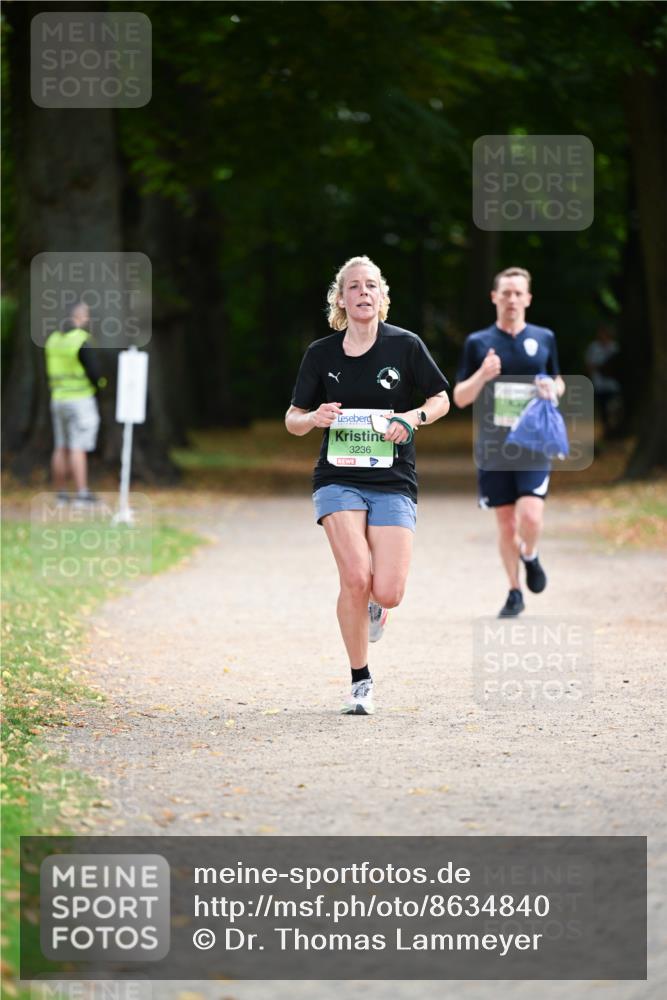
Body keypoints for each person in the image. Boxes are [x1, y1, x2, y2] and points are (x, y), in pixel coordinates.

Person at [285, 255, 450, 714]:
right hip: (338, 478)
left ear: (382, 297)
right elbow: (292, 419)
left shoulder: (406, 346)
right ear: (340, 298)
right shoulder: (321, 353)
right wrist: (313, 417)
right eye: (353, 286)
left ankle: (377, 609)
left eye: (371, 286)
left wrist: (411, 419)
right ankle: (360, 680)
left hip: (394, 480)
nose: (362, 292)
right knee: (355, 576)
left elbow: (441, 399)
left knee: (388, 590)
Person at [453, 267, 565, 618]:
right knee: (506, 523)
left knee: (530, 515)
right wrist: (483, 375)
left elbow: (559, 382)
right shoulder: (478, 343)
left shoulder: (544, 338)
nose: (512, 299)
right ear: (494, 298)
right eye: (506, 293)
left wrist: (553, 389)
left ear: (528, 299)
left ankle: (529, 555)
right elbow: (459, 397)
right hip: (494, 446)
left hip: (533, 443)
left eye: (519, 293)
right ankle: (515, 590)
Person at [45, 302, 105, 507]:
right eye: (85, 315)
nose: (87, 319)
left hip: (58, 399)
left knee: (61, 446)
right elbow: (95, 373)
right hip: (80, 399)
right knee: (78, 447)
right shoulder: (81, 340)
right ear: (77, 317)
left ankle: (61, 494)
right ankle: (81, 494)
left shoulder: (53, 340)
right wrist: (101, 386)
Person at [585, 324, 623, 441]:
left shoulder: (615, 347)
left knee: (613, 408)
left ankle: (614, 430)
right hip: (599, 385)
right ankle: (606, 432)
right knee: (603, 411)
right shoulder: (593, 348)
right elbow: (589, 365)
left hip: (614, 385)